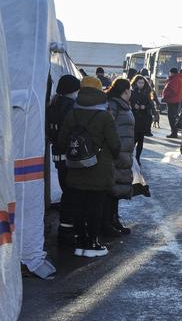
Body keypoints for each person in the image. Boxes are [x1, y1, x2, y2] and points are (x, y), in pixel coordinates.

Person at [57, 76, 121, 258]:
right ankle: (93, 243)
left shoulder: (73, 113)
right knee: (95, 207)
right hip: (99, 169)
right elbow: (115, 144)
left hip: (76, 168)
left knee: (78, 206)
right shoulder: (104, 116)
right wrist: (111, 157)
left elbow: (62, 141)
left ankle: (80, 243)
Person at [46, 74, 81, 245]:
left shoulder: (53, 105)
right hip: (70, 156)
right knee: (72, 194)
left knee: (66, 191)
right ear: (71, 90)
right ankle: (68, 230)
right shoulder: (71, 107)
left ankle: (65, 228)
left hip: (57, 156)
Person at [104, 78, 135, 237]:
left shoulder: (122, 105)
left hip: (123, 153)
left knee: (116, 189)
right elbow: (109, 127)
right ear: (125, 91)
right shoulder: (114, 105)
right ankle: (108, 223)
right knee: (111, 188)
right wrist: (115, 149)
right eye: (130, 90)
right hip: (116, 153)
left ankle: (114, 220)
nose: (131, 93)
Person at [130, 75, 154, 162]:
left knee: (141, 140)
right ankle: (130, 156)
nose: (141, 84)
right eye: (139, 82)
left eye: (143, 82)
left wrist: (145, 106)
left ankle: (138, 157)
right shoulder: (132, 92)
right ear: (136, 83)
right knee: (134, 138)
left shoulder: (147, 92)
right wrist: (133, 105)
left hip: (144, 118)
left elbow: (151, 104)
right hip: (134, 117)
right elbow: (128, 102)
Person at [162, 67, 182, 138]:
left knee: (171, 117)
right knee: (173, 116)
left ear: (172, 73)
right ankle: (174, 131)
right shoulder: (176, 78)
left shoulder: (175, 79)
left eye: (170, 72)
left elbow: (173, 91)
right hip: (174, 100)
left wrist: (165, 96)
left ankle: (174, 132)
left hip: (173, 100)